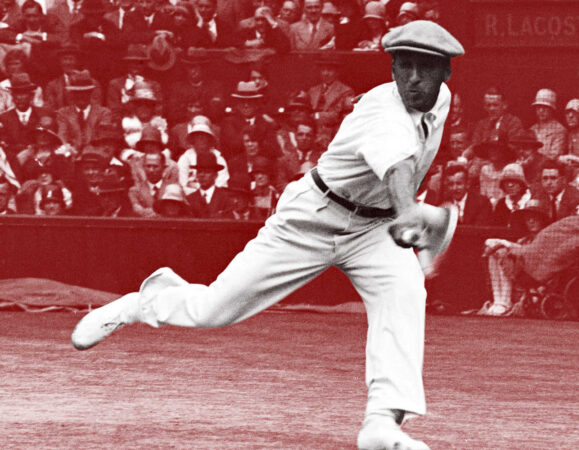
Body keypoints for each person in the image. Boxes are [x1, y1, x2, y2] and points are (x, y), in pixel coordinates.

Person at [71, 20, 465, 450]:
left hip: (374, 228)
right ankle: (143, 302)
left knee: (405, 294)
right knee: (213, 311)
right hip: (313, 218)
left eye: (424, 68)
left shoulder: (441, 100)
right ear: (391, 68)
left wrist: (410, 213)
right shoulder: (381, 111)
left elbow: (403, 169)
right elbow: (398, 167)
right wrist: (413, 212)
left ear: (445, 72)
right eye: (403, 66)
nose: (412, 79)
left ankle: (381, 424)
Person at [530, 88, 566, 160]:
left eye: (545, 107)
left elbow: (554, 156)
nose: (541, 110)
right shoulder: (532, 129)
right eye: (538, 107)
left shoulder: (559, 130)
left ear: (552, 109)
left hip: (549, 169)